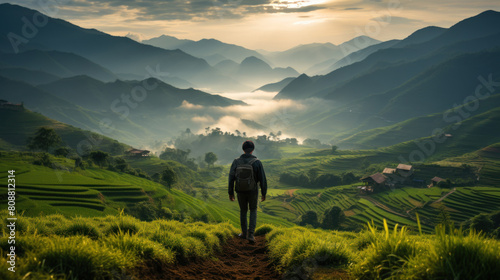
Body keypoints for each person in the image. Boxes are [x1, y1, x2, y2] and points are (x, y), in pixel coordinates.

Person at [228, 140, 267, 244]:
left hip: (240, 191)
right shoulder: (257, 162)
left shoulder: (236, 161)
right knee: (253, 210)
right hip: (253, 191)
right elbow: (262, 178)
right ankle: (251, 235)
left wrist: (230, 192)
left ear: (243, 149)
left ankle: (244, 233)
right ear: (253, 150)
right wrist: (264, 193)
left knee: (243, 210)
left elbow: (231, 178)